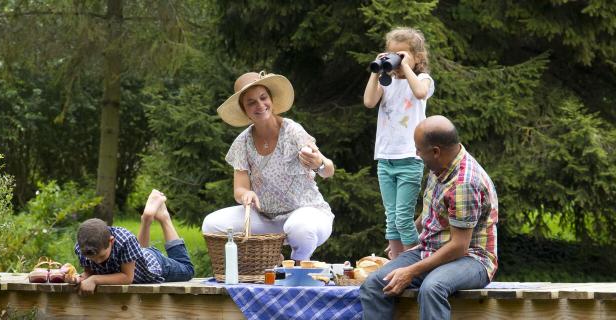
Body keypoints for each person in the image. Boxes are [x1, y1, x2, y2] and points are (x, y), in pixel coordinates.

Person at [360, 116, 498, 319]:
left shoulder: (464, 184)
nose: (416, 154)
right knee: (374, 284)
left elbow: (459, 246)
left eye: (419, 149)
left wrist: (411, 271)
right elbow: (433, 212)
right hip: (431, 250)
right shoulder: (440, 165)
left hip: (472, 258)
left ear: (436, 151)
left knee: (432, 288)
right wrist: (410, 233)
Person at [201, 71, 335, 264]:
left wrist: (319, 164)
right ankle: (272, 260)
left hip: (307, 213)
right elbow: (240, 188)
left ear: (271, 99)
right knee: (212, 224)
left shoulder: (292, 130)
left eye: (263, 98)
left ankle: (297, 265)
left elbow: (328, 170)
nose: (260, 105)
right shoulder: (242, 142)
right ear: (244, 110)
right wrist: (245, 195)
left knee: (300, 228)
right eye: (251, 102)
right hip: (265, 219)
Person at [363, 27, 435, 259]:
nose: (396, 59)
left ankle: (415, 263)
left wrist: (404, 65)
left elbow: (421, 92)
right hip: (386, 158)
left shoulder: (422, 79)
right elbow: (368, 101)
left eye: (402, 54)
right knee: (391, 219)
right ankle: (396, 264)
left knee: (404, 218)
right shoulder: (386, 83)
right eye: (392, 54)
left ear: (418, 57)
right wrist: (376, 70)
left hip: (409, 158)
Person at [67, 190, 194, 294]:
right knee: (138, 254)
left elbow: (127, 277)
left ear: (111, 241)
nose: (98, 262)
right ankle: (148, 219)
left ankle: (164, 219)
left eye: (102, 256)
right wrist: (80, 278)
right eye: (93, 259)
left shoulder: (124, 240)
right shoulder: (83, 246)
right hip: (136, 260)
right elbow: (90, 271)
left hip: (154, 266)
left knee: (187, 270)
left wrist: (94, 280)